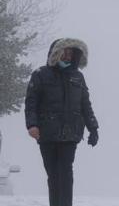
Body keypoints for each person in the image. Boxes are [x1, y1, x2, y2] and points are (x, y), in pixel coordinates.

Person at [24, 38, 99, 206]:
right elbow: (31, 102)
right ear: (55, 53)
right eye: (64, 52)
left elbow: (85, 104)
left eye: (71, 53)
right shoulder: (40, 74)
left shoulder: (78, 76)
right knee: (53, 175)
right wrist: (32, 125)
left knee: (65, 173)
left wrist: (93, 128)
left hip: (70, 133)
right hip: (47, 133)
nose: (67, 56)